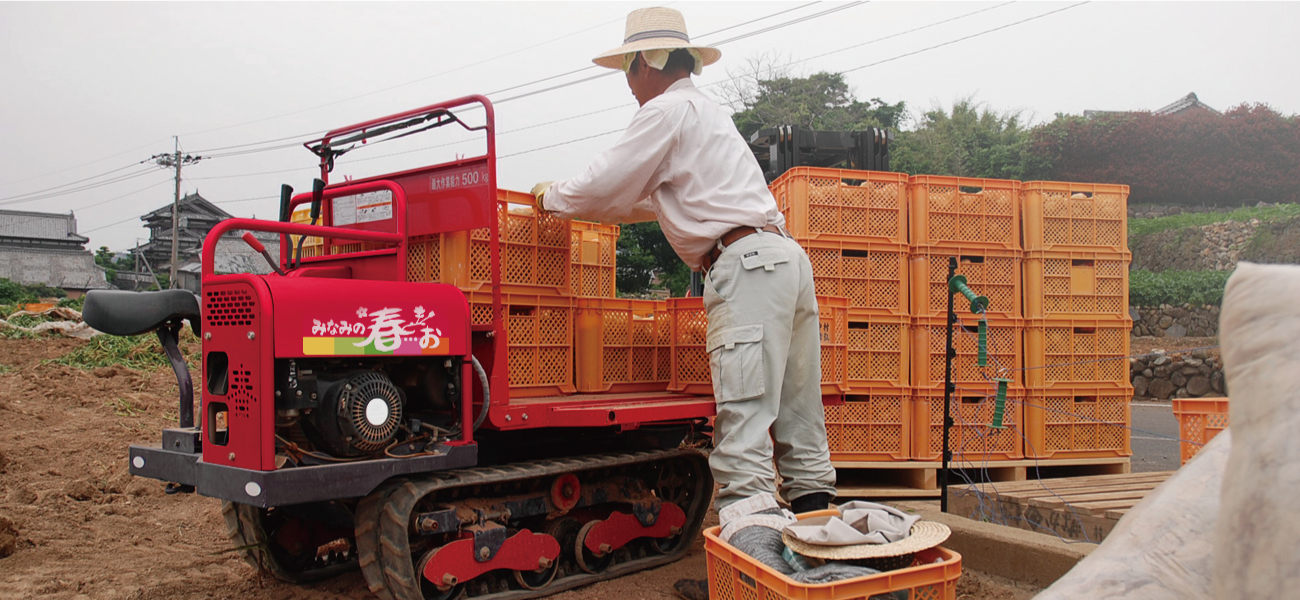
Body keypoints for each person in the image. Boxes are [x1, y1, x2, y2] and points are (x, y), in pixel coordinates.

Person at [532, 8, 837, 598]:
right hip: (783, 260)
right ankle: (824, 565)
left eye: (627, 67)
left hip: (744, 267)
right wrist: (586, 200)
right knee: (799, 422)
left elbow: (603, 184)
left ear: (645, 62)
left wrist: (553, 198)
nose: (626, 81)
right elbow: (642, 200)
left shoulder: (665, 111)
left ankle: (752, 581)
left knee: (743, 429)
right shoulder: (703, 113)